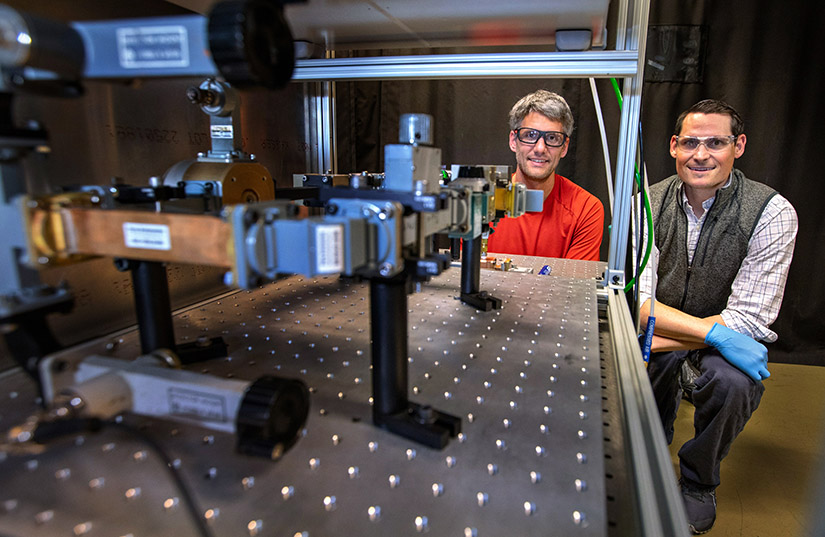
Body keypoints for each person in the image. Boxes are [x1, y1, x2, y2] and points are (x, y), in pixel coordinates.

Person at [637, 99, 798, 534]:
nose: (701, 154)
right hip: (669, 325)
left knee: (733, 381)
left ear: (738, 145)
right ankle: (651, 442)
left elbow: (747, 322)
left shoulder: (772, 212)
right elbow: (639, 302)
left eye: (716, 142)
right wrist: (662, 338)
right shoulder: (645, 204)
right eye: (690, 142)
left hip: (694, 332)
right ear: (673, 146)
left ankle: (698, 479)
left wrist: (665, 338)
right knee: (635, 359)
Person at [485, 90, 604, 261]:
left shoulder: (586, 209)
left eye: (552, 138)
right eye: (530, 135)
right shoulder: (482, 200)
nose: (540, 148)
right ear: (513, 141)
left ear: (564, 147)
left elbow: (576, 286)